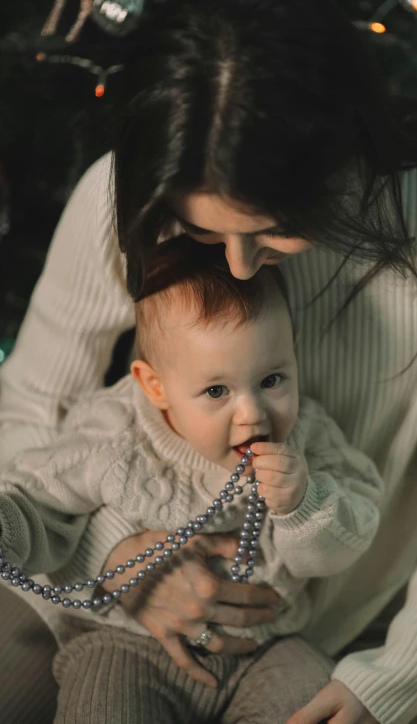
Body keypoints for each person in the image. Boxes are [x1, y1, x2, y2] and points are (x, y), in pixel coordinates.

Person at [0, 0, 417, 724]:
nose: (240, 267)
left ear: (347, 149)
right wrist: (117, 559)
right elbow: (28, 406)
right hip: (94, 590)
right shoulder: (134, 188)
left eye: (275, 229)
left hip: (319, 617)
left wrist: (400, 677)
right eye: (208, 235)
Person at [0, 238, 385, 723]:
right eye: (217, 390)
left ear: (294, 352)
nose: (253, 413)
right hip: (126, 647)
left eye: (272, 380)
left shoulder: (310, 437)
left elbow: (348, 541)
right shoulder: (116, 432)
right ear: (155, 386)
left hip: (267, 650)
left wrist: (304, 504)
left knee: (319, 703)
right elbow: (39, 501)